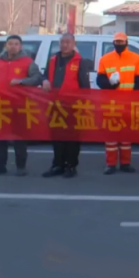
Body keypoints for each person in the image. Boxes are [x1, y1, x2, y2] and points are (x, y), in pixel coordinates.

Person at [0, 35, 43, 177]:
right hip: (1, 106)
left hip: (20, 106)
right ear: (6, 46)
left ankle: (21, 166)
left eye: (16, 44)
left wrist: (21, 81)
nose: (13, 46)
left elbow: (37, 78)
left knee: (19, 138)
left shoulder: (28, 62)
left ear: (20, 46)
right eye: (10, 44)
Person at [41, 33, 92, 178]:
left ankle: (71, 166)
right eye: (62, 42)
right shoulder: (53, 60)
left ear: (73, 44)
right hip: (55, 105)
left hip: (73, 106)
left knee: (72, 138)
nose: (64, 45)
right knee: (57, 136)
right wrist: (44, 80)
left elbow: (85, 86)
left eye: (68, 42)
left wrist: (84, 105)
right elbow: (45, 75)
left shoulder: (80, 61)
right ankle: (58, 165)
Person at [97, 32, 139, 174]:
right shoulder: (105, 59)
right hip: (111, 104)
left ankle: (125, 164)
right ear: (113, 43)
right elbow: (100, 80)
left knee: (126, 136)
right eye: (117, 42)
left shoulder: (136, 59)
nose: (119, 44)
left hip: (128, 104)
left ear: (126, 42)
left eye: (121, 42)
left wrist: (136, 100)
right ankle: (110, 164)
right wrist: (110, 84)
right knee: (111, 137)